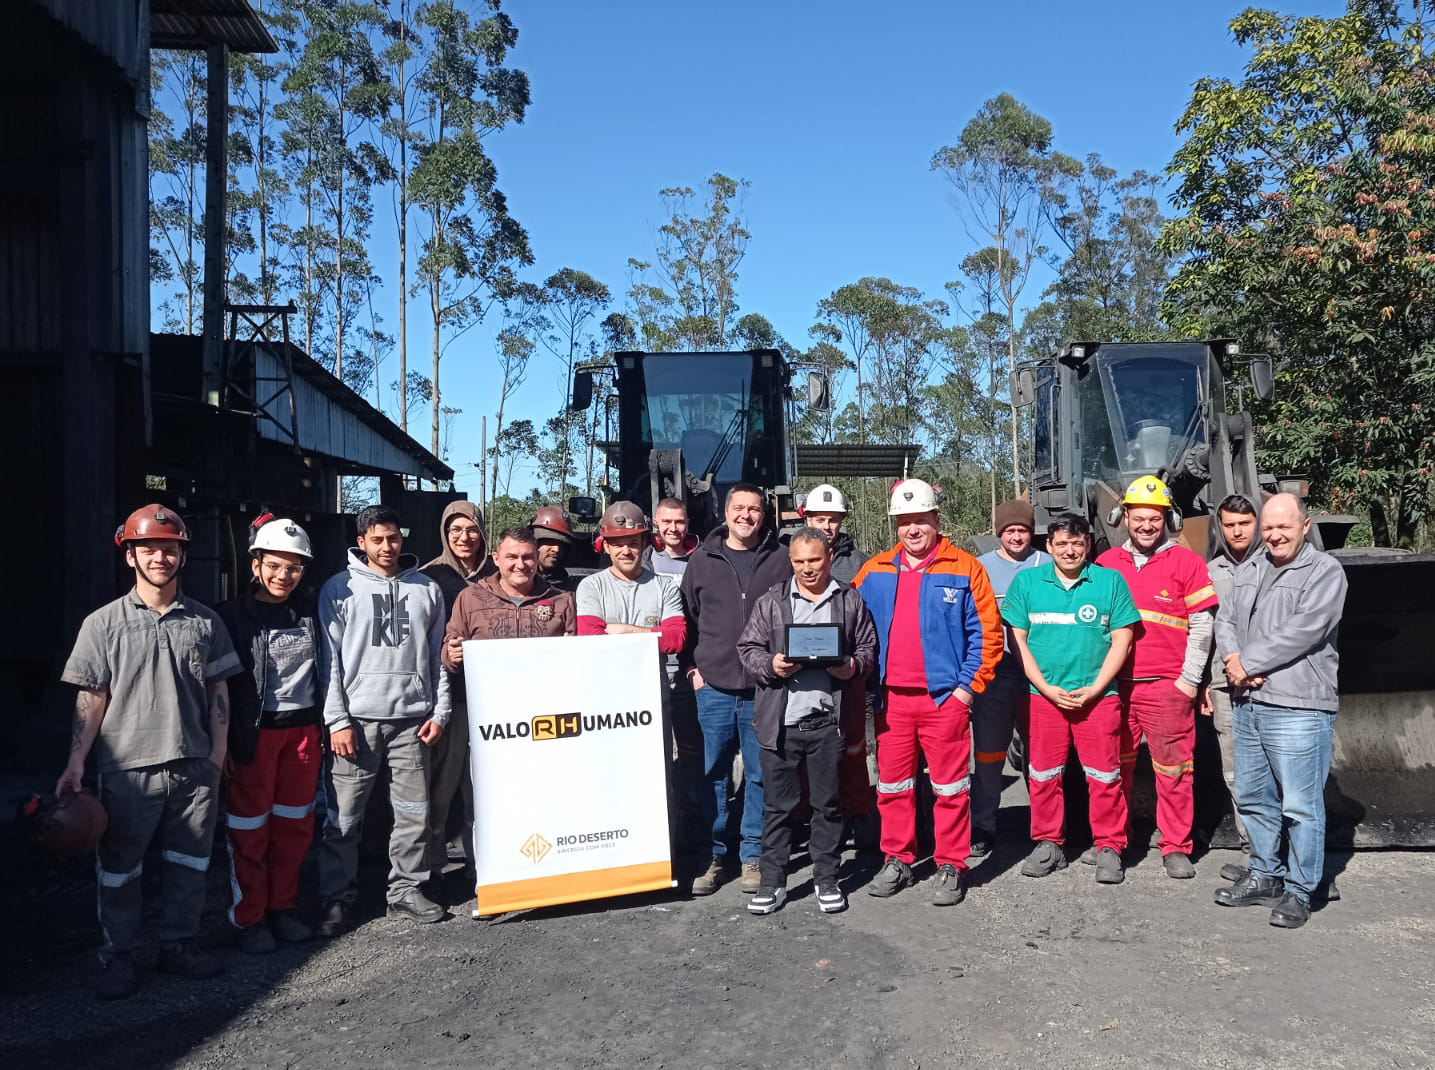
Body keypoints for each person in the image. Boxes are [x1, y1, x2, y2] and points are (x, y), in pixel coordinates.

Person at [58, 505, 243, 999]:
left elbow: (219, 694)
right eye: (149, 548)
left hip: (193, 767)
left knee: (189, 864)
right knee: (120, 869)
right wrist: (76, 763)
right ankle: (117, 955)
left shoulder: (205, 622)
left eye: (169, 548)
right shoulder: (102, 624)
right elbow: (91, 696)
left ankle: (178, 946)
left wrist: (218, 754)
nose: (159, 556)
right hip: (127, 770)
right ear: (131, 556)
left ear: (183, 555)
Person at [852, 478, 1003, 906]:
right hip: (891, 701)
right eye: (904, 522)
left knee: (951, 788)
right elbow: (846, 623)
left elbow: (988, 636)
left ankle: (951, 864)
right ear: (895, 526)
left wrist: (966, 692)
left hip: (944, 701)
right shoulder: (874, 571)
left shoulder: (965, 567)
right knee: (893, 786)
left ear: (936, 520)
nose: (912, 529)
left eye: (920, 520)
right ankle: (896, 859)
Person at [1213, 493, 1347, 929]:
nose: (1274, 535)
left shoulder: (1325, 572)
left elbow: (1305, 630)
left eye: (1284, 527)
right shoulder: (1250, 568)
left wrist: (1248, 663)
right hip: (1249, 702)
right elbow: (1225, 620)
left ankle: (1300, 889)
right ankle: (1266, 874)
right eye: (1268, 527)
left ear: (1305, 526)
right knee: (1253, 796)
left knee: (1301, 805)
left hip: (1299, 706)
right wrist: (1234, 662)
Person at [317, 505, 452, 936]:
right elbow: (329, 661)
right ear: (361, 542)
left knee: (414, 811)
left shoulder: (425, 590)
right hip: (357, 722)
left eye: (393, 537)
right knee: (344, 817)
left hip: (413, 720)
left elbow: (439, 657)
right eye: (377, 539)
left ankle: (407, 891)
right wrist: (337, 719)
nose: (387, 546)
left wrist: (441, 711)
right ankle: (337, 899)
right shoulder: (339, 590)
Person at [737, 528, 877, 915]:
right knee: (778, 809)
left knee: (827, 807)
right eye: (799, 562)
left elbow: (868, 648)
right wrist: (771, 665)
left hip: (827, 725)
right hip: (780, 726)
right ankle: (772, 883)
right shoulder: (773, 602)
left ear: (828, 556)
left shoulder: (849, 601)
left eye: (814, 560)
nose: (807, 568)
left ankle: (827, 879)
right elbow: (747, 648)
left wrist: (851, 666)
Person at [1003, 515, 1140, 885]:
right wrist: (1046, 689)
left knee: (1105, 775)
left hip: (1098, 698)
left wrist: (1096, 688)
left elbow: (1122, 641)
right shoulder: (1027, 583)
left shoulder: (1109, 582)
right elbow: (1017, 643)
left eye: (1077, 544)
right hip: (1043, 698)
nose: (1070, 550)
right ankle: (1049, 843)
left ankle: (1110, 846)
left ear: (1088, 545)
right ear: (1049, 546)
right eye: (1062, 543)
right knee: (1044, 775)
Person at [1096, 475, 1218, 879]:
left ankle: (1175, 846)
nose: (1147, 526)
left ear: (1169, 519)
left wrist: (1189, 680)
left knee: (1175, 771)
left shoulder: (1187, 562)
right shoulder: (1106, 564)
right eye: (1139, 518)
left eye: (1155, 518)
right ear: (1123, 518)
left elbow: (1202, 626)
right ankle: (1112, 844)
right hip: (1116, 688)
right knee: (1113, 769)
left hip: (1167, 686)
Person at [216, 517, 323, 954]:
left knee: (294, 827)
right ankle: (249, 918)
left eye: (295, 568)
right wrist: (220, 740)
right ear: (256, 564)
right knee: (249, 830)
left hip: (302, 735)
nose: (285, 576)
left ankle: (283, 908)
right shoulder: (230, 618)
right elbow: (216, 684)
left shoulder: (313, 610)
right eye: (276, 566)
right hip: (253, 738)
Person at [680, 483, 794, 896]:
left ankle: (752, 857)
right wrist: (694, 667)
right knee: (713, 774)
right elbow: (689, 618)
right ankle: (712, 856)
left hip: (764, 686)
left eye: (754, 510)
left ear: (764, 516)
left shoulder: (781, 560)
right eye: (739, 508)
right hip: (714, 687)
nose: (746, 515)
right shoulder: (702, 561)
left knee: (762, 774)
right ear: (725, 513)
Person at [970, 499, 1050, 856]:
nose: (1017, 536)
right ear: (999, 533)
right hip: (996, 671)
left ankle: (1046, 827)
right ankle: (983, 824)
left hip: (1041, 673)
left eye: (1023, 530)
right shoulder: (980, 568)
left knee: (1042, 753)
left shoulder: (1048, 564)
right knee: (989, 753)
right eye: (1010, 530)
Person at [419, 501, 492, 888]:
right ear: (445, 534)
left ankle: (480, 863)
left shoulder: (499, 576)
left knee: (482, 788)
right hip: (449, 698)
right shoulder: (428, 578)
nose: (464, 538)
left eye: (472, 529)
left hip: (494, 701)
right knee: (442, 787)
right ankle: (431, 864)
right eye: (455, 530)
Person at [800, 483, 876, 847]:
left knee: (853, 748)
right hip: (801, 675)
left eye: (833, 520)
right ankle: (812, 818)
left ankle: (858, 814)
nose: (826, 526)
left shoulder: (858, 564)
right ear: (806, 517)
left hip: (847, 674)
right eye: (819, 518)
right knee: (805, 751)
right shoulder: (794, 556)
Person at [1202, 494, 1262, 875]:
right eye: (1230, 524)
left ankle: (1296, 857)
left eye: (1245, 523)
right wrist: (1205, 684)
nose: (1237, 530)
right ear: (1220, 528)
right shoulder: (1211, 572)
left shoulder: (1275, 567)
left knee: (1277, 769)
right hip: (1224, 685)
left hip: (1270, 683)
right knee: (1235, 770)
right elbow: (1205, 631)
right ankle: (1254, 849)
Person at [643, 497, 699, 581]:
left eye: (679, 522)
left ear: (687, 524)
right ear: (656, 523)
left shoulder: (701, 559)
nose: (673, 529)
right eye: (666, 521)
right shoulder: (645, 559)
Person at [531, 505, 576, 592]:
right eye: (550, 542)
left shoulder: (573, 590)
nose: (556, 549)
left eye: (561, 545)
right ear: (534, 544)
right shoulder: (517, 583)